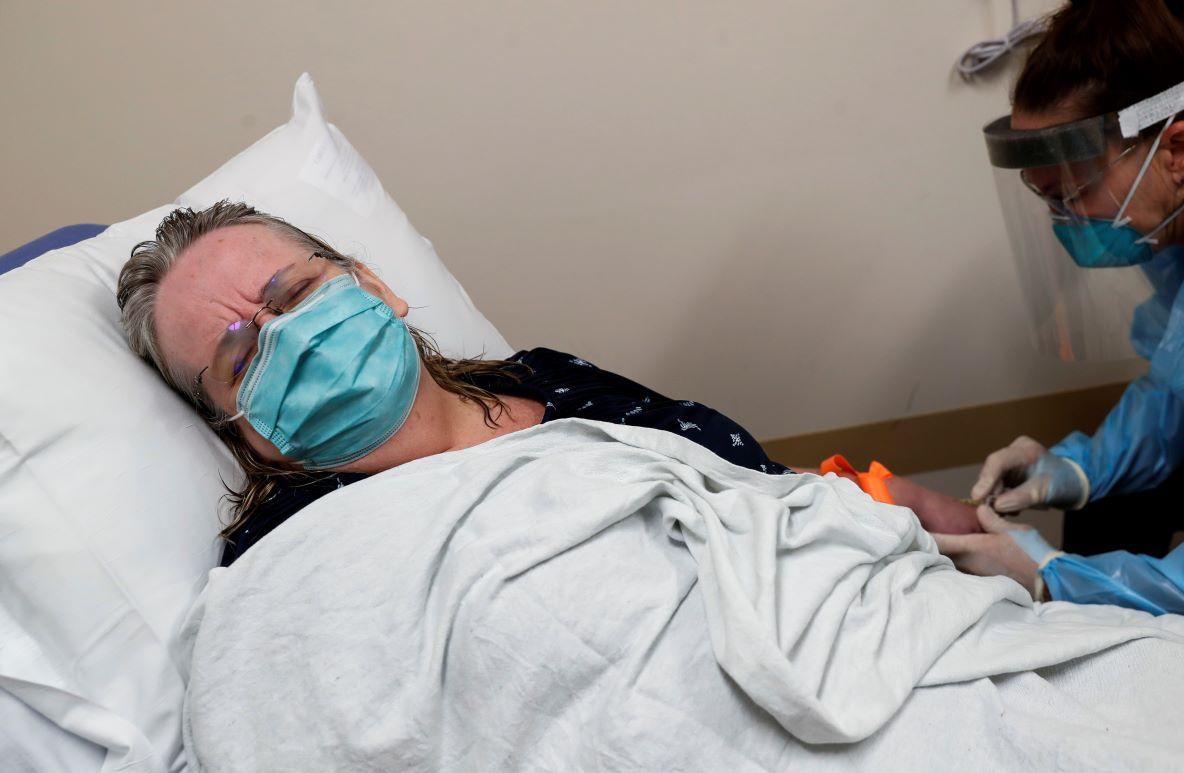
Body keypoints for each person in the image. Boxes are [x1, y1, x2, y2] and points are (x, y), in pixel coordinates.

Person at [116, 202, 978, 565]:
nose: (288, 337)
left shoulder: (547, 377)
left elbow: (729, 481)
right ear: (244, 430)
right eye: (242, 355)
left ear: (370, 284)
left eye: (294, 296)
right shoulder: (298, 546)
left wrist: (865, 493)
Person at [936, 0, 1184, 629]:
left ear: (1178, 150)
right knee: (1109, 502)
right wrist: (1076, 466)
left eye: (1075, 191)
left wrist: (1060, 578)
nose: (1068, 220)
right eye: (1050, 201)